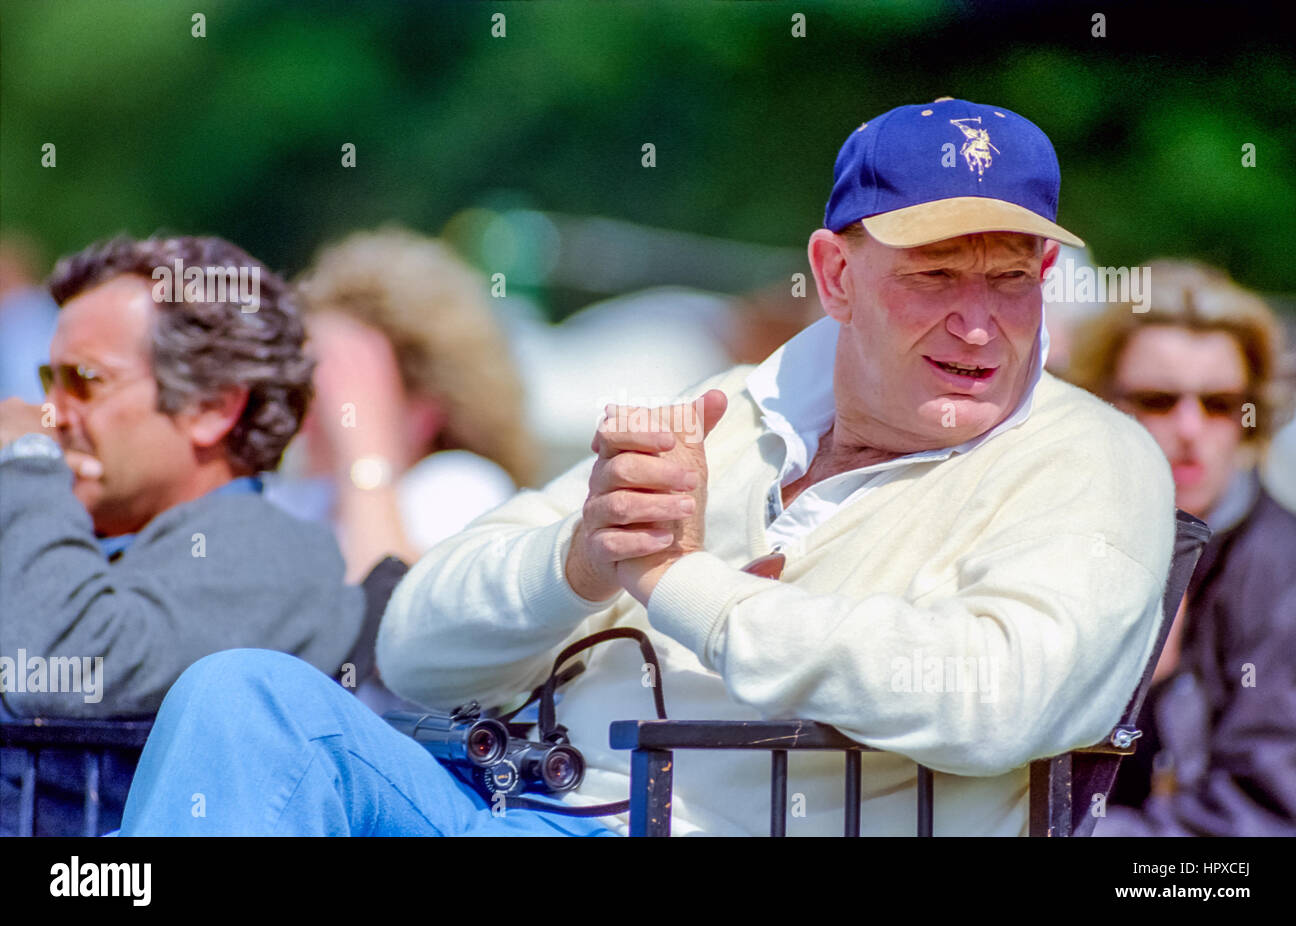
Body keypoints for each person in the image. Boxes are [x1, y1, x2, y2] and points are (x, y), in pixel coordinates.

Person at [118, 98, 1175, 836]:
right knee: (242, 695)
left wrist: (685, 587)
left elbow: (994, 693)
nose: (979, 323)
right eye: (936, 274)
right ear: (835, 274)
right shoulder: (733, 406)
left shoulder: (1090, 456)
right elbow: (416, 643)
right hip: (515, 805)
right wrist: (579, 560)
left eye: (1010, 278)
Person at [0, 235, 365, 833]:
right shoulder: (58, 530)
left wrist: (28, 462)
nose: (51, 413)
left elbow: (56, 669)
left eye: (83, 381)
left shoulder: (274, 554)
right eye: (48, 381)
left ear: (211, 407)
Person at [1067, 260, 1296, 836]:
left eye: (1220, 404)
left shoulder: (1283, 572)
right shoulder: (1061, 541)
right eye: (1158, 400)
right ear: (1101, 404)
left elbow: (1265, 816)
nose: (1191, 429)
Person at [265, 227, 536, 583]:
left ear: (423, 411)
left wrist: (363, 454)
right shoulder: (301, 497)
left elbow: (384, 605)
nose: (306, 411)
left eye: (337, 383)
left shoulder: (463, 487)